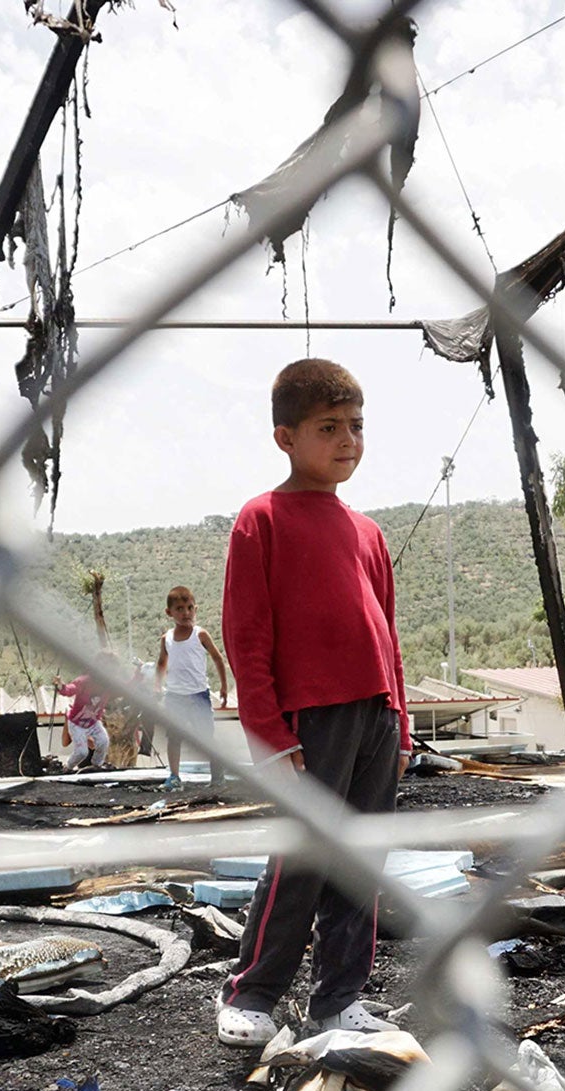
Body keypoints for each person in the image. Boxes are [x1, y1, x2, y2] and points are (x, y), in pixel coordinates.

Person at [214, 358, 410, 1048]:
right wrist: (269, 731)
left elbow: (388, 634)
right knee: (301, 860)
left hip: (376, 717)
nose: (348, 440)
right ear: (286, 437)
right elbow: (246, 636)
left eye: (356, 426)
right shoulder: (260, 520)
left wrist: (402, 725)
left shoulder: (369, 533)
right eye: (329, 427)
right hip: (309, 721)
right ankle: (252, 993)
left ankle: (338, 1002)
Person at [154, 585, 230, 791]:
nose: (186, 613)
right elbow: (161, 663)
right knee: (174, 736)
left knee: (205, 736)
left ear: (195, 609)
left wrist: (223, 686)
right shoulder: (166, 639)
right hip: (174, 696)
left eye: (189, 608)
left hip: (198, 695)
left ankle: (217, 775)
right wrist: (156, 686)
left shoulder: (200, 635)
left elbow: (217, 658)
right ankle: (174, 776)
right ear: (169, 613)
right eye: (179, 609)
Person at [52, 658, 113, 771]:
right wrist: (61, 686)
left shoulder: (109, 686)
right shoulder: (84, 682)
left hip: (93, 723)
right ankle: (68, 767)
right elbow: (70, 689)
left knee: (104, 741)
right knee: (81, 752)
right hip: (77, 724)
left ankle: (97, 765)